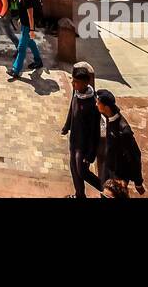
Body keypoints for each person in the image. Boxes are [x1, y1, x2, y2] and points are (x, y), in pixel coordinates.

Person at [61, 66, 103, 198]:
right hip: (74, 139)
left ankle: (108, 190)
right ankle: (79, 195)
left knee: (82, 171)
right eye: (73, 81)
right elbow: (71, 109)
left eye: (76, 82)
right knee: (74, 169)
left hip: (83, 146)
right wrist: (67, 126)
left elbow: (94, 131)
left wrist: (90, 155)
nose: (73, 84)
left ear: (86, 83)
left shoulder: (92, 104)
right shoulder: (76, 93)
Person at [96, 90, 146, 198]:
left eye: (98, 103)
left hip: (119, 176)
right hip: (108, 169)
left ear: (106, 107)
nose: (96, 105)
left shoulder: (123, 131)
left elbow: (135, 156)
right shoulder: (109, 117)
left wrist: (138, 182)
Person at [8, 0, 44, 78]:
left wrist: (32, 30)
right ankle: (38, 61)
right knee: (31, 44)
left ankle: (16, 70)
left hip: (28, 26)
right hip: (24, 25)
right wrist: (21, 19)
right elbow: (23, 12)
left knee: (21, 47)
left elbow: (30, 16)